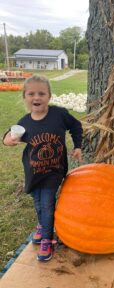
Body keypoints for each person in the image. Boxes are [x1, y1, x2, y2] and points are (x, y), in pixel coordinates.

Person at [3, 75, 83, 261]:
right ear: (25, 96)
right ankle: (42, 225)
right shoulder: (24, 122)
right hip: (33, 172)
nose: (36, 97)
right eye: (31, 94)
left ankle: (47, 239)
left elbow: (76, 126)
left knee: (47, 205)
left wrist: (77, 146)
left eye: (41, 93)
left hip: (53, 172)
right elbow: (7, 137)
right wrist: (9, 140)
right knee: (38, 202)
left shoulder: (59, 115)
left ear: (49, 96)